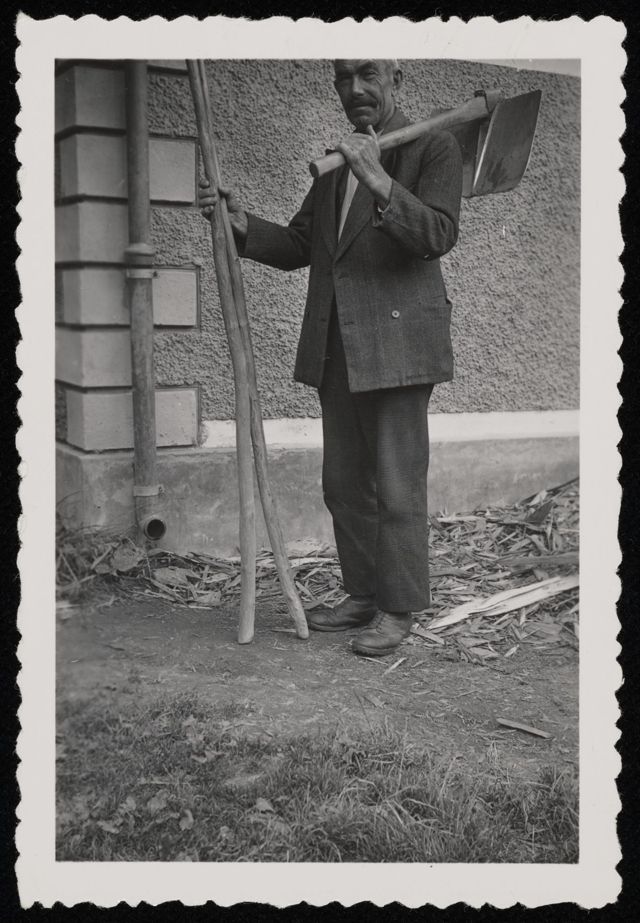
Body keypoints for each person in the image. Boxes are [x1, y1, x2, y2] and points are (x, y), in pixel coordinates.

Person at [199, 59, 463, 656]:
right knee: (343, 483)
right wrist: (241, 225)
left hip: (397, 344)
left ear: (397, 79)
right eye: (344, 78)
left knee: (397, 486)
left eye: (368, 74)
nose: (355, 89)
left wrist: (378, 180)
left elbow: (437, 235)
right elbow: (300, 244)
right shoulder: (334, 164)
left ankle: (397, 609)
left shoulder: (433, 147)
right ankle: (364, 595)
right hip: (339, 342)